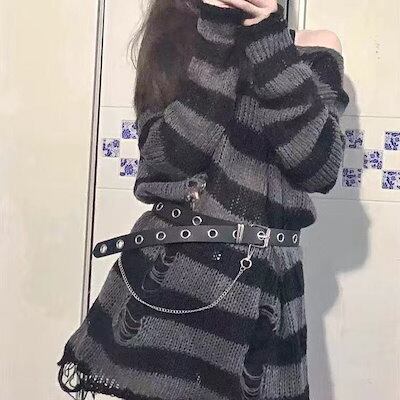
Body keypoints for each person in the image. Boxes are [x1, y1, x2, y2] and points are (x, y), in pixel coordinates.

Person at [57, 1, 350, 399]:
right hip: (175, 276)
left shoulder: (315, 47)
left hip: (264, 291)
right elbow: (166, 162)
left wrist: (267, 35)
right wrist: (217, 33)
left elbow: (318, 167)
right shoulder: (173, 37)